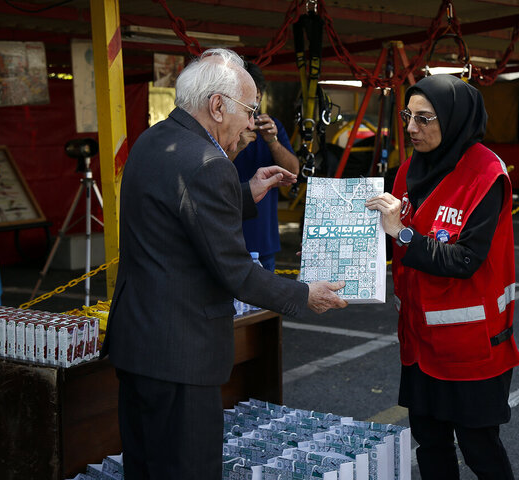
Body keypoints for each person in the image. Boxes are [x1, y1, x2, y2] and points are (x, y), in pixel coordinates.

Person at [100, 48, 347, 480]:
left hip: (139, 344)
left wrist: (245, 190)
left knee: (144, 466)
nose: (253, 122)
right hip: (182, 357)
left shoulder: (153, 139)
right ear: (217, 106)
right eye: (249, 110)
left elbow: (179, 210)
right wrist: (306, 294)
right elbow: (236, 271)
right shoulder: (209, 163)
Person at [365, 74, 519, 480]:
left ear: (453, 119)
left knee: (479, 449)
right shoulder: (408, 172)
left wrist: (401, 232)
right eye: (408, 116)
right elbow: (393, 238)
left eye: (424, 118)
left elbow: (466, 259)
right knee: (430, 443)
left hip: (472, 350)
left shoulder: (487, 174)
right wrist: (338, 254)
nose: (412, 128)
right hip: (420, 343)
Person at [231, 62, 299, 272]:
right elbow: (208, 172)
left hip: (263, 242)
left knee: (262, 305)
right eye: (248, 100)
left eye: (257, 99)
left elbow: (293, 171)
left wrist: (272, 141)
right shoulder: (222, 128)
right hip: (228, 240)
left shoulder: (271, 126)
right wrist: (238, 146)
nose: (254, 106)